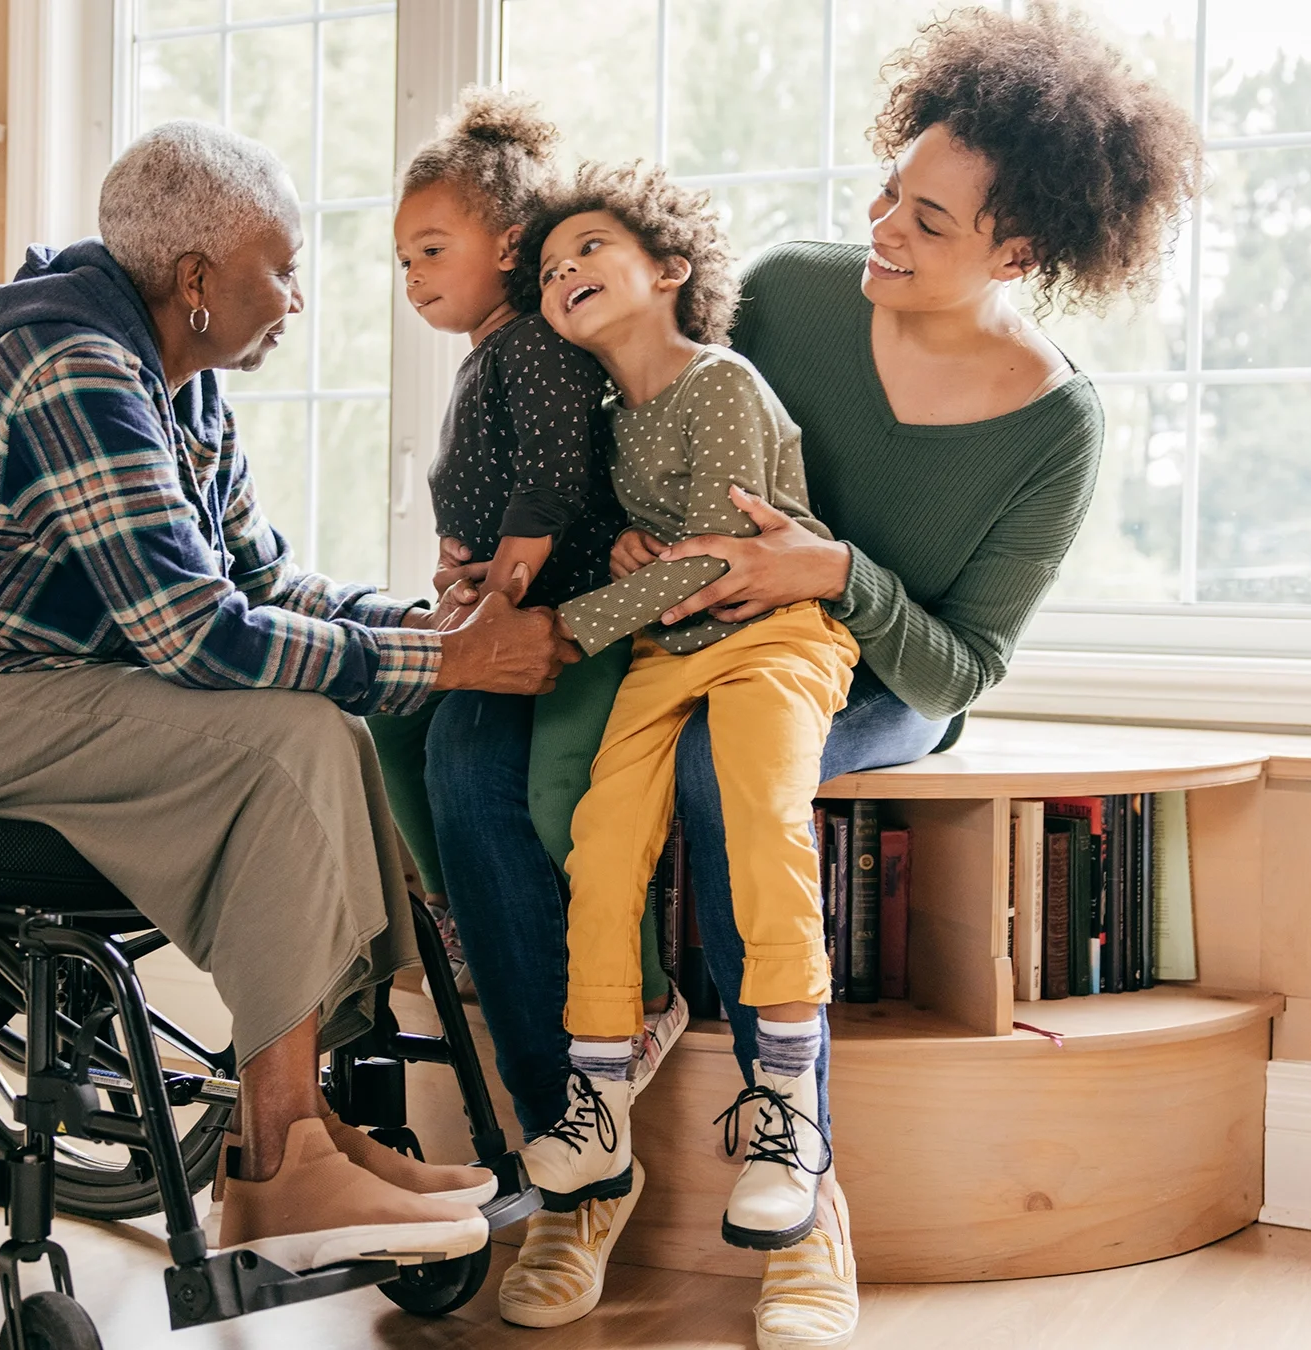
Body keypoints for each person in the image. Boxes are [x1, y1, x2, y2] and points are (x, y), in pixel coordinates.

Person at [431, 6, 1200, 1344]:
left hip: (868, 675)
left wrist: (834, 571)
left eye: (930, 222)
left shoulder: (1053, 424)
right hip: (691, 628)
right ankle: (584, 1156)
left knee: (721, 777)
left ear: (1019, 251)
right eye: (891, 192)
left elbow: (964, 666)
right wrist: (588, 535)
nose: (884, 229)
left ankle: (803, 1181)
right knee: (468, 751)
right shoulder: (789, 290)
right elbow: (651, 418)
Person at [0, 119, 581, 1274]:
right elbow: (191, 633)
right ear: (195, 280)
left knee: (325, 727)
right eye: (280, 268)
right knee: (289, 736)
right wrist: (451, 665)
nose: (296, 297)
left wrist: (423, 625)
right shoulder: (74, 368)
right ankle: (283, 1157)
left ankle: (300, 1142)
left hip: (20, 697)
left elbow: (259, 582)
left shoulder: (182, 391)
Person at [511, 156, 859, 1259]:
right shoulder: (609, 421)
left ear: (669, 268)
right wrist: (619, 558)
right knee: (602, 837)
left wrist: (572, 624)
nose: (565, 271)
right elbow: (661, 560)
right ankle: (600, 1099)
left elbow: (716, 561)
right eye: (552, 266)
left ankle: (790, 1110)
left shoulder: (720, 382)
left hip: (774, 637)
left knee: (760, 811)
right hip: (670, 651)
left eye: (591, 250)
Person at [365, 88, 685, 1100]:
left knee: (527, 786)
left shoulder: (535, 347)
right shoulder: (490, 355)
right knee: (392, 714)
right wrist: (460, 567)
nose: (410, 276)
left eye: (430, 249)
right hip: (505, 599)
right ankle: (460, 914)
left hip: (567, 608)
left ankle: (622, 1004)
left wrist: (498, 583)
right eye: (403, 258)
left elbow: (554, 474)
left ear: (507, 245)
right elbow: (496, 485)